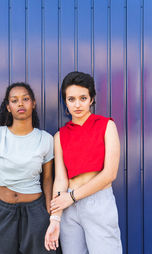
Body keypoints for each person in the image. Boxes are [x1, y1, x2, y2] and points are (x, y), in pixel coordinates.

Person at [45, 72, 122, 253]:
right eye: (71, 99)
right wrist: (55, 219)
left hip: (98, 202)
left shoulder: (106, 126)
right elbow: (61, 180)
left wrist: (72, 197)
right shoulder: (60, 136)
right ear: (65, 101)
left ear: (92, 99)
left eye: (83, 98)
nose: (77, 104)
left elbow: (110, 173)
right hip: (68, 206)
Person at [0, 82, 56, 254]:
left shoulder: (45, 139)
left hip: (36, 212)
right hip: (3, 211)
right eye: (14, 100)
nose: (20, 104)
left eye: (25, 99)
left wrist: (49, 212)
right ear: (8, 107)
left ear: (33, 103)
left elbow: (48, 178)